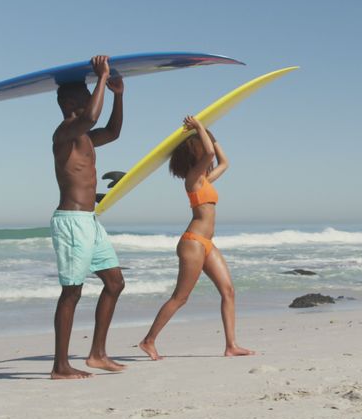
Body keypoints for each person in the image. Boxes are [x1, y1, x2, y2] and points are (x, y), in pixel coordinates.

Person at [138, 116, 255, 360]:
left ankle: (231, 345)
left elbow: (224, 162)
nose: (206, 149)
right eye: (203, 145)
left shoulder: (205, 180)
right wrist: (200, 128)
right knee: (181, 297)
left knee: (228, 291)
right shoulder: (191, 180)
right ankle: (148, 341)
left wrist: (211, 136)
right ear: (195, 153)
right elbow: (210, 156)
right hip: (192, 243)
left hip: (207, 244)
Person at [49, 55, 126, 379]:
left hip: (90, 221)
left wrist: (118, 94)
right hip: (70, 222)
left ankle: (97, 354)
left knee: (115, 282)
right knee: (72, 291)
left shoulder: (86, 138)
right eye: (84, 93)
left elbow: (112, 130)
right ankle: (60, 366)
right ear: (69, 102)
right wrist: (101, 77)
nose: (89, 98)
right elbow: (93, 116)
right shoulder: (64, 133)